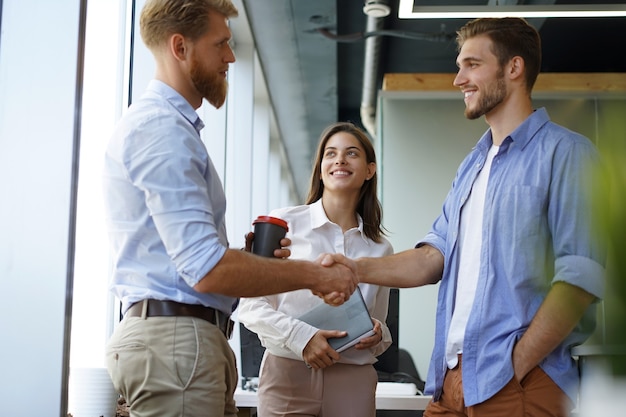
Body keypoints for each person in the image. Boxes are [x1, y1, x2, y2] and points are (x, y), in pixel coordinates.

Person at [325, 17, 606, 417]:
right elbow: (430, 257)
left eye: (471, 64)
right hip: (453, 381)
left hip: (519, 381)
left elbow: (579, 277)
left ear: (514, 68)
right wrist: (353, 269)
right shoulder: (471, 168)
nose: (458, 79)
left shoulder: (567, 154)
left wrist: (517, 364)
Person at [102, 1, 357, 417]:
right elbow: (206, 269)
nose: (231, 57)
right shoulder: (162, 129)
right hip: (175, 344)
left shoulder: (169, 128)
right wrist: (314, 275)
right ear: (180, 47)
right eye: (221, 44)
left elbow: (194, 264)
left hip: (184, 341)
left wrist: (248, 262)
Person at [237, 121, 393, 417]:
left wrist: (379, 334)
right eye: (330, 154)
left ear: (369, 170)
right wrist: (302, 337)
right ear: (321, 167)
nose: (340, 160)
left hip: (353, 382)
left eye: (351, 154)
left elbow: (380, 324)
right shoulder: (283, 225)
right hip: (287, 376)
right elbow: (250, 306)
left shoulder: (379, 249)